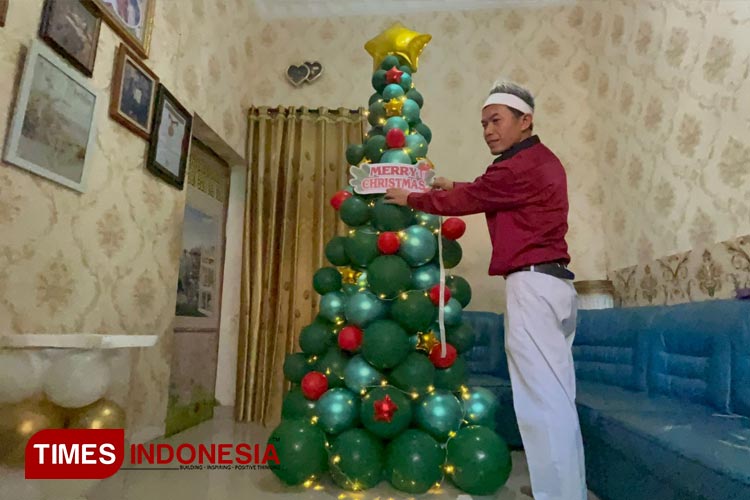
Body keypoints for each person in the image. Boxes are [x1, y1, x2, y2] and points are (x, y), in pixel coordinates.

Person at [384, 80, 587, 500]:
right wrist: (452, 185)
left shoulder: (520, 166)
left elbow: (476, 197)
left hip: (533, 286)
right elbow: (486, 191)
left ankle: (559, 495)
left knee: (541, 403)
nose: (488, 131)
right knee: (556, 398)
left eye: (496, 120)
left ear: (525, 120)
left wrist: (412, 197)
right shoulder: (532, 163)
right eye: (483, 124)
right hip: (554, 285)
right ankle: (563, 489)